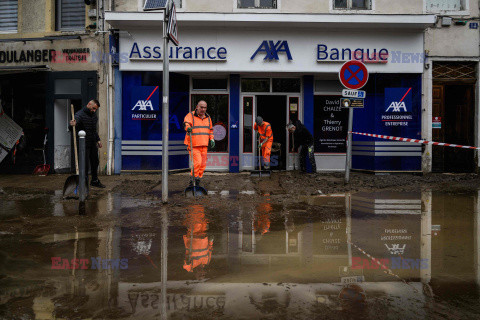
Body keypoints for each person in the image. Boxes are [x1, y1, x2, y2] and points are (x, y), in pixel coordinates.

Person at [69, 100, 105, 188]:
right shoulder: (79, 115)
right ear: (89, 104)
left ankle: (94, 180)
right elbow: (72, 126)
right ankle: (83, 183)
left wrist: (98, 140)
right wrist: (72, 124)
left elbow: (94, 130)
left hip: (92, 143)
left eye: (95, 109)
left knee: (95, 162)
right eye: (93, 108)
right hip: (83, 144)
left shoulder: (94, 116)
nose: (94, 110)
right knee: (84, 165)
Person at [184, 100, 214, 187]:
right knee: (197, 163)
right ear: (197, 107)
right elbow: (186, 123)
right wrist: (188, 128)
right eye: (201, 107)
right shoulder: (191, 115)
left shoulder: (208, 118)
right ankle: (193, 179)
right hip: (194, 144)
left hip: (204, 144)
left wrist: (212, 139)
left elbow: (210, 130)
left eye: (205, 107)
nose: (203, 109)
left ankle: (197, 180)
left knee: (202, 165)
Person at [183, 204, 214, 279]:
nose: (202, 273)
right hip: (203, 234)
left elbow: (185, 265)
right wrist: (211, 241)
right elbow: (209, 250)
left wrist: (188, 265)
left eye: (200, 275)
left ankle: (194, 203)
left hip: (193, 235)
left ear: (195, 274)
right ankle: (200, 203)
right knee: (202, 218)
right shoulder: (207, 261)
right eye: (203, 275)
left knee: (196, 219)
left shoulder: (190, 267)